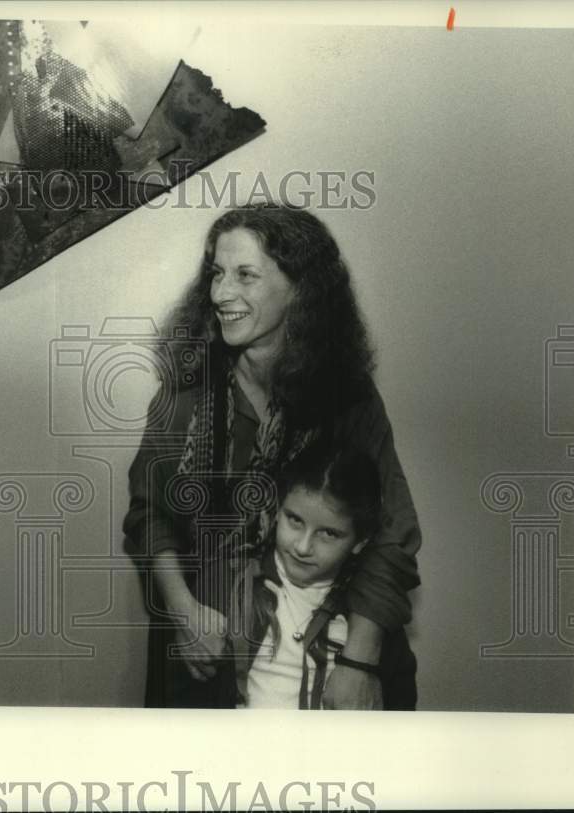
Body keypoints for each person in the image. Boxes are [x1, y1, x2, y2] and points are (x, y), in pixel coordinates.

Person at [123, 202, 420, 709]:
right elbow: (150, 516)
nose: (221, 293)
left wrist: (359, 661)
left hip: (333, 650)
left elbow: (390, 534)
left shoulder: (349, 399)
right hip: (209, 657)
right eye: (216, 274)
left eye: (246, 276)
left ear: (300, 289)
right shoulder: (185, 394)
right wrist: (183, 611)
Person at [228, 438, 417, 709]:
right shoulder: (235, 586)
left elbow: (402, 719)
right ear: (277, 511)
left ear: (360, 542)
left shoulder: (374, 624)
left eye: (328, 533)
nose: (303, 547)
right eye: (294, 519)